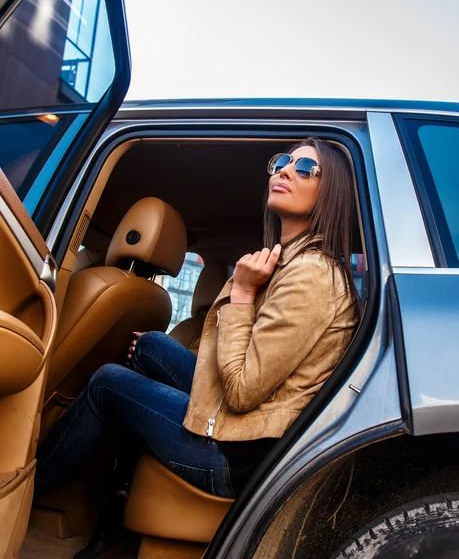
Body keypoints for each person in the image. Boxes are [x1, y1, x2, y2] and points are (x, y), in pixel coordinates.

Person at [35, 137, 359, 557]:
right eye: (283, 161)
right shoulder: (289, 261)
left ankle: (33, 492)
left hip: (237, 456)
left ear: (328, 192)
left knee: (109, 383)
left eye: (304, 169)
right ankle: (118, 492)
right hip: (246, 428)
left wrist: (242, 294)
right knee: (151, 346)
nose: (284, 171)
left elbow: (242, 391)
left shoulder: (311, 276)